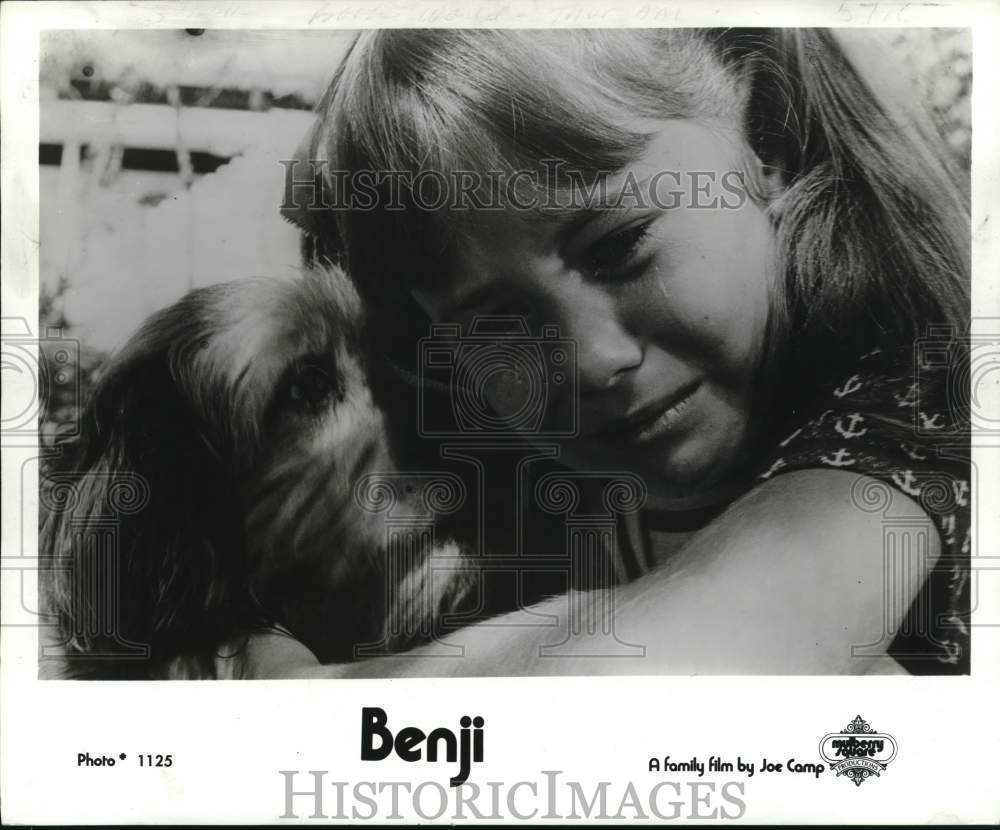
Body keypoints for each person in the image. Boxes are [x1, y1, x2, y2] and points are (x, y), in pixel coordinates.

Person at [267, 28, 971, 677]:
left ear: (767, 139)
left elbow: (670, 662)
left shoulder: (925, 396)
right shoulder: (545, 473)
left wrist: (292, 692)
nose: (590, 360)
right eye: (497, 323)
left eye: (618, 246)